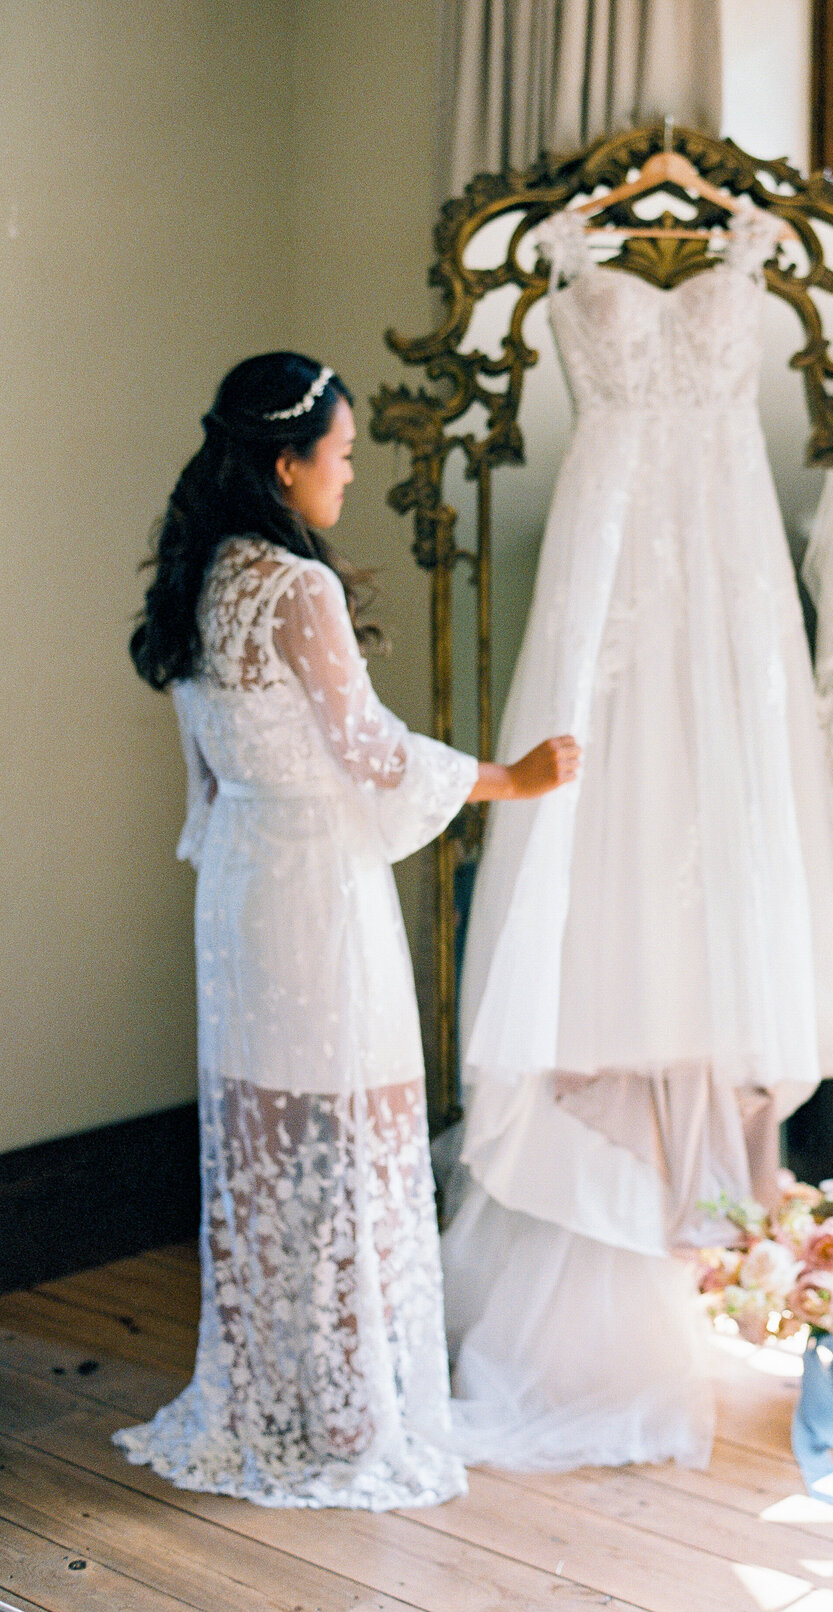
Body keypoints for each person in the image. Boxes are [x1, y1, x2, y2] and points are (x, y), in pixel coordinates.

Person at [117, 351, 578, 1510]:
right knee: (347, 1135)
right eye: (343, 456)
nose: (351, 476)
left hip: (238, 885)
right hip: (316, 889)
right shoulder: (294, 587)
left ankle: (280, 1391)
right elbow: (369, 753)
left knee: (272, 1140)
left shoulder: (201, 576)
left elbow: (211, 775)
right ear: (285, 464)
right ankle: (348, 1406)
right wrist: (510, 779)